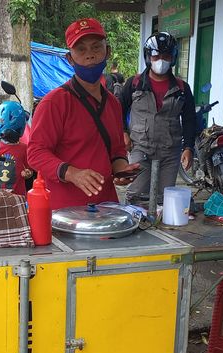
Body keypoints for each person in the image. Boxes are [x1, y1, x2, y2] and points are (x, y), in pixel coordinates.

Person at [27, 18, 139, 210]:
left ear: (107, 51)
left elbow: (117, 151)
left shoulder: (113, 103)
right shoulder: (54, 103)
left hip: (106, 207)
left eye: (96, 48)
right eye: (81, 49)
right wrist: (71, 173)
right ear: (70, 58)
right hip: (65, 211)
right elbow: (35, 153)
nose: (90, 56)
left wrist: (121, 169)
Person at [119, 32, 196, 210]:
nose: (161, 60)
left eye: (166, 56)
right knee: (136, 195)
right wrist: (123, 132)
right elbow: (118, 110)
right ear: (148, 57)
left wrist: (189, 147)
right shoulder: (134, 83)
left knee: (165, 199)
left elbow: (190, 120)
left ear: (173, 58)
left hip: (170, 151)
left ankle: (160, 232)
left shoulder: (182, 88)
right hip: (140, 147)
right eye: (156, 56)